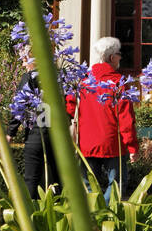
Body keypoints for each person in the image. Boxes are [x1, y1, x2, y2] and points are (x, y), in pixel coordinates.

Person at [72, 37, 138, 200]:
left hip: (86, 143)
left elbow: (70, 105)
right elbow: (126, 118)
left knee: (87, 184)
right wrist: (132, 146)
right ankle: (108, 216)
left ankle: (92, 218)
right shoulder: (118, 82)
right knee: (116, 183)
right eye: (118, 54)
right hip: (112, 143)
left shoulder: (83, 79)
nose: (120, 57)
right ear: (111, 57)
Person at [8, 43, 59, 197]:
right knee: (56, 178)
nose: (23, 64)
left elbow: (19, 105)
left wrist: (10, 132)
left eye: (25, 59)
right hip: (57, 134)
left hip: (37, 133)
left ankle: (32, 216)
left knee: (32, 179)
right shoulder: (58, 75)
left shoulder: (30, 77)